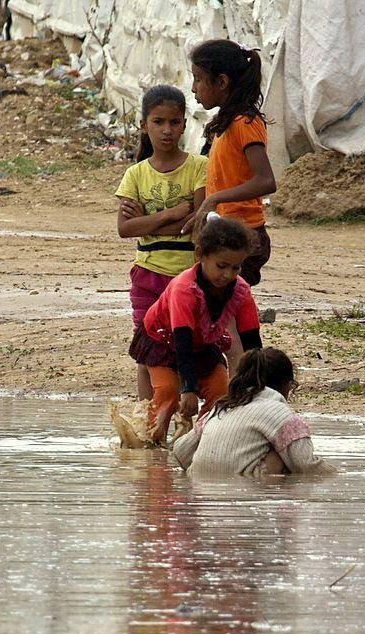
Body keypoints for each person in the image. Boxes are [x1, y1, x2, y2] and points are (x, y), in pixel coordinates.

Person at [133, 216, 263, 443]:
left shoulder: (241, 290)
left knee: (221, 393)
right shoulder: (184, 288)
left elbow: (252, 340)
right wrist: (189, 389)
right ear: (200, 255)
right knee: (168, 394)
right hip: (163, 340)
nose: (229, 275)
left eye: (236, 267)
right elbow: (181, 341)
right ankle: (151, 445)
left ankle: (202, 439)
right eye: (221, 266)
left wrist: (259, 388)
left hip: (202, 343)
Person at [116, 84, 209, 401]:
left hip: (189, 276)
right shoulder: (136, 174)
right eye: (158, 122)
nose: (167, 131)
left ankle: (187, 412)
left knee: (190, 344)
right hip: (148, 275)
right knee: (147, 348)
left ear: (184, 124)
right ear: (144, 125)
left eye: (174, 122)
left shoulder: (199, 166)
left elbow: (196, 226)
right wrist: (173, 213)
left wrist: (150, 221)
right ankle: (146, 421)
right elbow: (125, 228)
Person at [189, 40, 276, 286]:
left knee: (225, 304)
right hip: (224, 229)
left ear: (222, 82)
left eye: (198, 79)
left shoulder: (245, 123)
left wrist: (214, 199)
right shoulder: (224, 123)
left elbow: (266, 181)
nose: (193, 88)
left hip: (243, 234)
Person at [173, 348, 336, 477]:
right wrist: (338, 475)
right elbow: (306, 466)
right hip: (250, 485)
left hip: (202, 491)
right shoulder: (281, 414)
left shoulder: (221, 407)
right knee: (282, 455)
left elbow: (181, 450)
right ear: (286, 385)